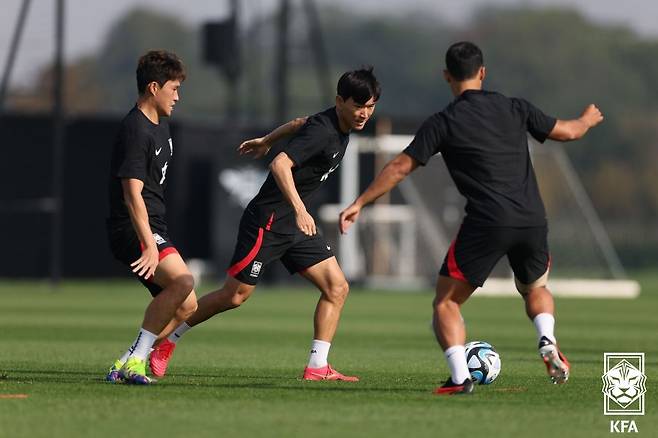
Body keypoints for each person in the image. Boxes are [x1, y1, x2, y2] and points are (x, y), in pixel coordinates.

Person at [339, 42, 603, 395]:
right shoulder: (514, 107)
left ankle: (460, 378)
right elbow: (569, 132)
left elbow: (401, 166)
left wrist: (361, 201)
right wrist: (587, 118)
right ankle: (546, 338)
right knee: (536, 287)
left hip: (488, 221)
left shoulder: (444, 121)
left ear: (447, 76)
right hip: (531, 218)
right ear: (482, 72)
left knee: (446, 302)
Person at [149, 67, 381, 381]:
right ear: (340, 101)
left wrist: (267, 139)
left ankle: (317, 366)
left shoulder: (333, 123)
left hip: (295, 227)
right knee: (234, 296)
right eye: (358, 106)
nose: (364, 113)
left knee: (337, 287)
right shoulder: (325, 131)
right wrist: (299, 207)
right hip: (268, 221)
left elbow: (300, 122)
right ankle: (164, 343)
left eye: (370, 107)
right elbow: (280, 164)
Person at [105, 50, 197, 384]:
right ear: (154, 87)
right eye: (174, 88)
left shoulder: (161, 125)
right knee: (184, 281)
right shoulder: (136, 130)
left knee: (187, 307)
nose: (178, 96)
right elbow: (131, 194)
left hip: (153, 226)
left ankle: (125, 362)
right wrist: (148, 244)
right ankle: (137, 362)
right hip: (132, 227)